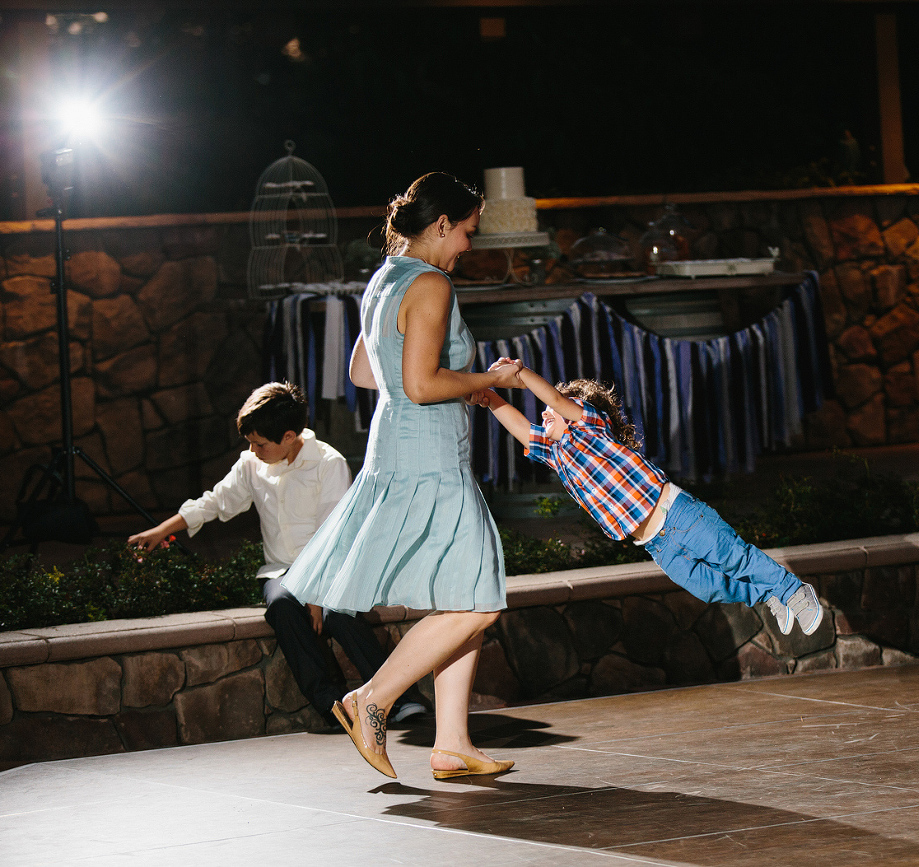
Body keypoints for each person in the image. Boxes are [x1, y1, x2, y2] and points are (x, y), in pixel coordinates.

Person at [282, 172, 524, 781]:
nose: (468, 246)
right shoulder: (432, 284)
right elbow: (421, 386)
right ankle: (373, 699)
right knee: (479, 599)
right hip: (430, 460)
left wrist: (441, 380)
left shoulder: (384, 278)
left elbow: (369, 374)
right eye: (467, 232)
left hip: (397, 450)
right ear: (442, 224)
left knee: (459, 594)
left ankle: (451, 744)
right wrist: (488, 381)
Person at [128, 382, 427, 728]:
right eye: (250, 443)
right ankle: (333, 707)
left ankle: (401, 698)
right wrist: (162, 530)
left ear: (288, 436)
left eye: (259, 443)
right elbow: (215, 502)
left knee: (339, 614)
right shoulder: (251, 465)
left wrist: (316, 596)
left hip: (331, 569)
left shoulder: (328, 464)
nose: (253, 450)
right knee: (282, 605)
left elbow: (332, 535)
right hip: (282, 572)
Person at [471, 364, 823, 635]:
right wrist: (489, 397)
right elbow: (521, 429)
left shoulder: (589, 427)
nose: (544, 415)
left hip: (680, 516)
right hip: (658, 545)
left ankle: (793, 591)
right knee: (708, 589)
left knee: (734, 559)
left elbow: (555, 400)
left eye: (550, 412)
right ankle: (767, 595)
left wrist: (518, 374)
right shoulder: (556, 453)